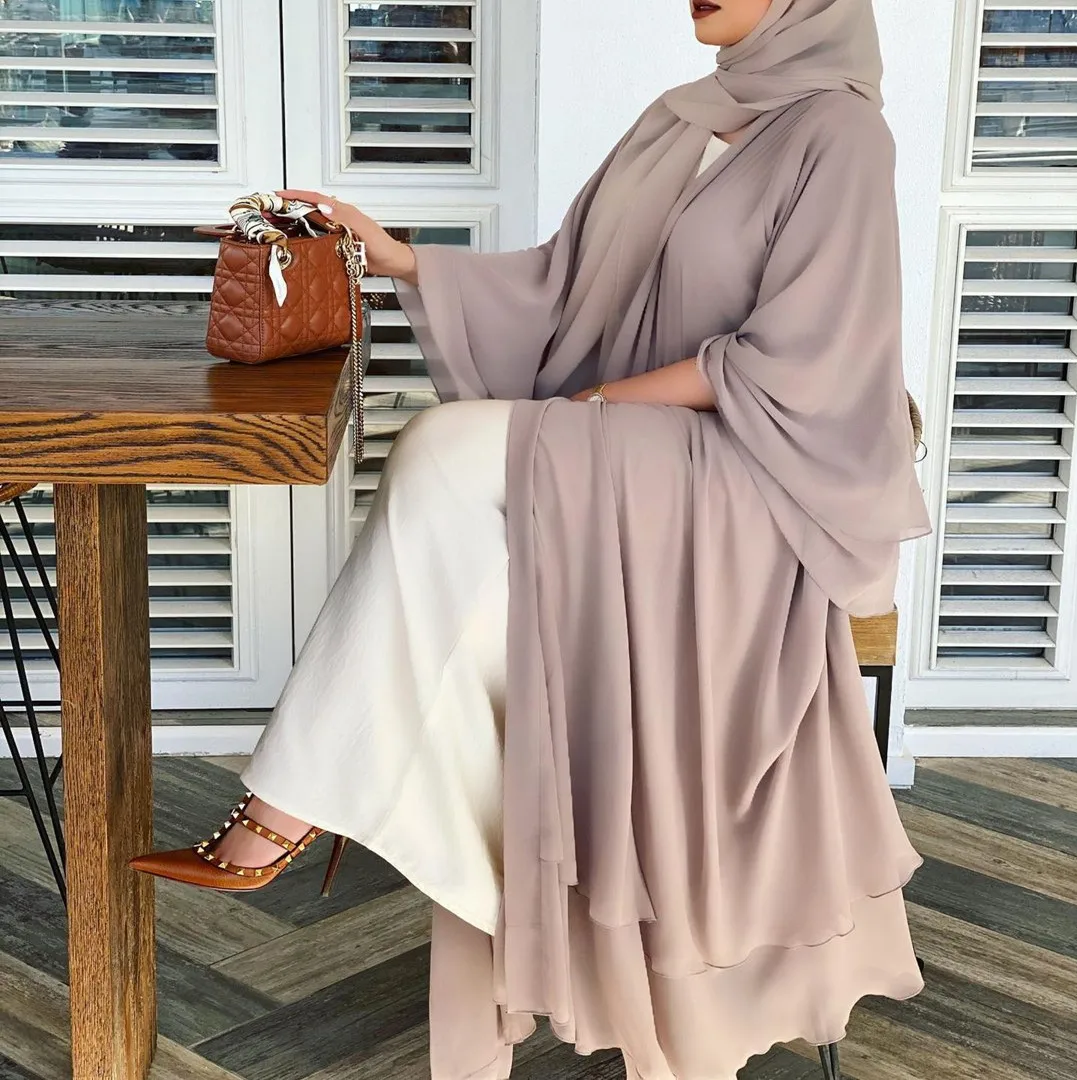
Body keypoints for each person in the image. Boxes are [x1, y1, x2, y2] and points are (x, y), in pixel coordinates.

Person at [132, 1, 934, 1076]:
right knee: (466, 606)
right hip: (626, 459)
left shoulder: (841, 133)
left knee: (443, 449)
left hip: (739, 477)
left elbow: (803, 360)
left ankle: (285, 805)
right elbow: (564, 283)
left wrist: (592, 410)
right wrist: (399, 258)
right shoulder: (681, 117)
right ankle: (325, 818)